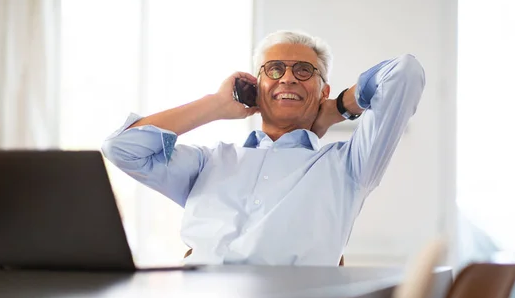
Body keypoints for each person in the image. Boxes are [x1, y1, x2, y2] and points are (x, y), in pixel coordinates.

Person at [102, 30, 425, 266]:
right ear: (257, 90)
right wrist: (215, 105)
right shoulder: (208, 161)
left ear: (321, 88)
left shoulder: (350, 165)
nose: (288, 78)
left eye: (304, 71)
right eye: (274, 69)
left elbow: (404, 72)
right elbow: (122, 148)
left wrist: (337, 107)